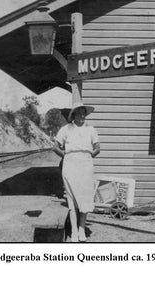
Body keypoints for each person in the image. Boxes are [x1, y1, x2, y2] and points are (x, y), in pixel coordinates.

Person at [53, 102, 100, 242]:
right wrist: (66, 156)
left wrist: (88, 155)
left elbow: (97, 148)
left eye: (83, 113)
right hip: (70, 164)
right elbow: (55, 147)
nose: (82, 115)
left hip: (85, 164)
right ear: (73, 115)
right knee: (72, 198)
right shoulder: (65, 129)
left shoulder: (91, 129)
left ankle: (81, 230)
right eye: (79, 113)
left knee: (85, 197)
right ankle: (73, 231)